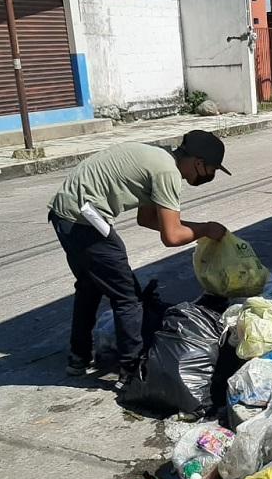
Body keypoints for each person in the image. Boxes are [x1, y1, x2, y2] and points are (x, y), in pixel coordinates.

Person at [48, 130, 230, 391]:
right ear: (198, 162)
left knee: (89, 286)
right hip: (84, 220)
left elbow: (147, 219)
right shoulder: (168, 173)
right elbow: (172, 236)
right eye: (210, 169)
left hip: (65, 215)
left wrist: (200, 228)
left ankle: (78, 358)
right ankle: (131, 371)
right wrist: (206, 229)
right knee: (128, 297)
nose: (208, 176)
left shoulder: (159, 158)